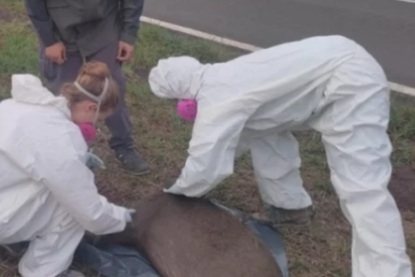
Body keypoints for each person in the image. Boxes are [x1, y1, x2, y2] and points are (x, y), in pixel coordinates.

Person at [148, 35, 412, 277]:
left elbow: (207, 163)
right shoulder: (223, 75)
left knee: (362, 187)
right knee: (266, 133)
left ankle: (388, 271)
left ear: (181, 96)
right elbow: (232, 143)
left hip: (350, 82)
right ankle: (290, 208)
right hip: (336, 64)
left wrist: (179, 191)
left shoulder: (218, 99)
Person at [0, 61, 134, 277]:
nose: (95, 125)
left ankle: (18, 236)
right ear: (90, 107)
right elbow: (90, 213)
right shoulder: (61, 137)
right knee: (72, 211)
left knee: (61, 191)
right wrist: (122, 217)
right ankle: (43, 271)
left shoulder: (19, 105)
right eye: (98, 119)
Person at [21, 0, 149, 175]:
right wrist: (49, 39)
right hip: (61, 26)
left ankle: (123, 146)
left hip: (102, 23)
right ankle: (69, 154)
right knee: (68, 95)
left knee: (111, 85)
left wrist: (128, 33)